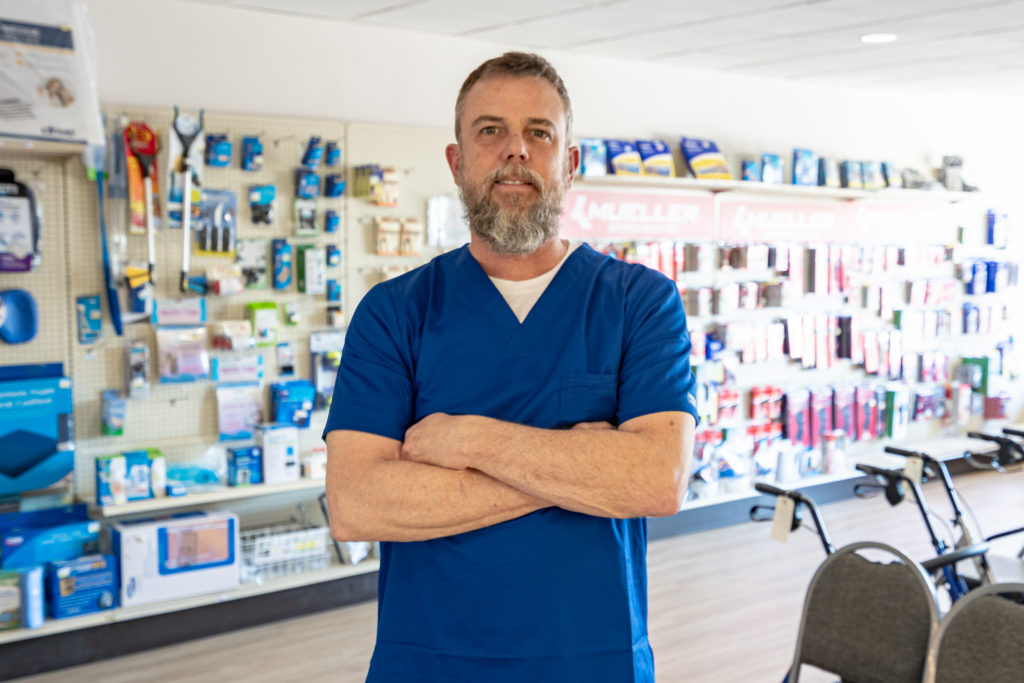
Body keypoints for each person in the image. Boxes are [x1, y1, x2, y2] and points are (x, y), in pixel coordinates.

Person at [323, 51, 698, 683]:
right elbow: (357, 503)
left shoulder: (639, 302)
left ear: (570, 164)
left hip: (594, 660)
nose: (515, 150)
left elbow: (655, 483)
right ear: (457, 161)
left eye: (540, 133)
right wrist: (580, 468)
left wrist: (466, 440)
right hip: (429, 662)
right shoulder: (394, 312)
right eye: (490, 131)